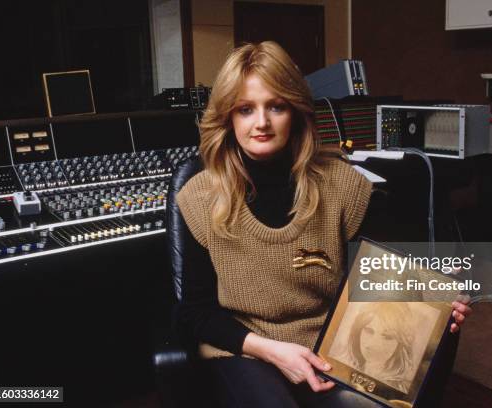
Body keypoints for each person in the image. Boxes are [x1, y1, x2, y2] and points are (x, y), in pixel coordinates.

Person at [174, 41, 472, 407]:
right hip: (246, 348)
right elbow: (195, 314)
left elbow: (376, 283)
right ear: (228, 117)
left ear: (296, 111)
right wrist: (274, 352)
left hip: (332, 348)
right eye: (246, 109)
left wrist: (433, 300)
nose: (262, 122)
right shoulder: (198, 197)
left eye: (276, 106)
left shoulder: (345, 185)